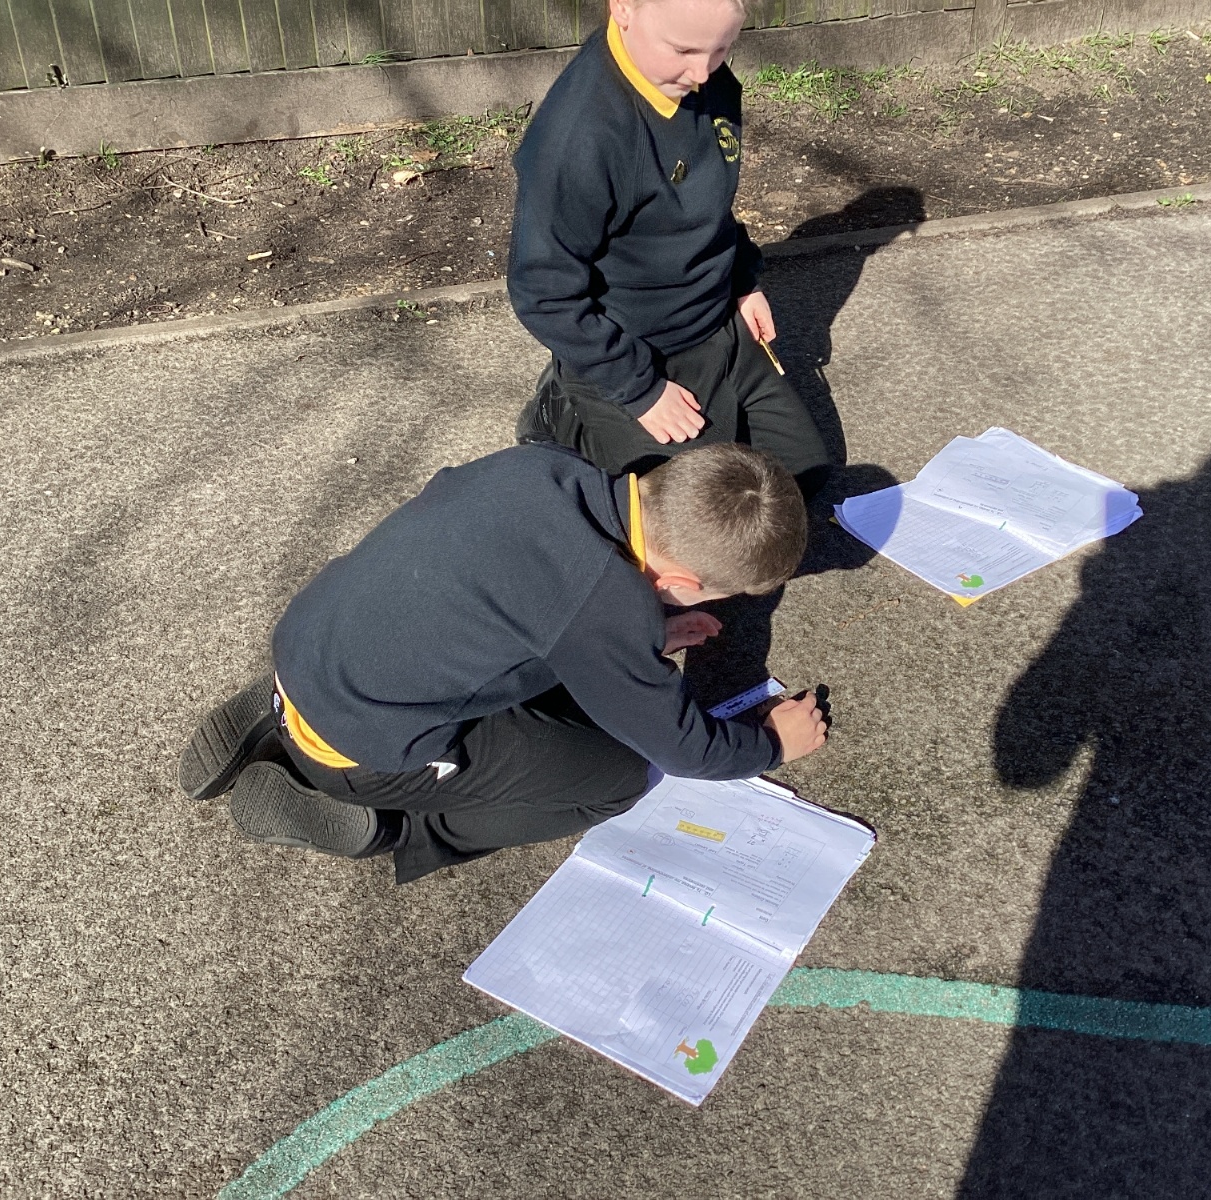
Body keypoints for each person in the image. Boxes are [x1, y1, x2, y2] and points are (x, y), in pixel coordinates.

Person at [177, 442, 829, 884]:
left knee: (479, 643)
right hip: (365, 754)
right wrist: (771, 744)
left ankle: (281, 707)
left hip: (314, 639)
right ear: (680, 580)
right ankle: (388, 826)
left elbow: (525, 587)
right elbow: (686, 751)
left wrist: (639, 633)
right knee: (619, 775)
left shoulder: (545, 465)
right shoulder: (605, 610)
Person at [507, 0, 832, 496]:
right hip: (636, 349)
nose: (702, 73)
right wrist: (640, 390)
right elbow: (543, 291)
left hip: (717, 326)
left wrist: (743, 282)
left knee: (798, 484)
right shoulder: (578, 138)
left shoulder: (704, 77)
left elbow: (706, 202)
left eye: (721, 49)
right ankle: (569, 409)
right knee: (702, 517)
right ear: (623, 8)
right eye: (683, 50)